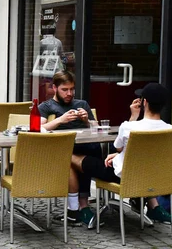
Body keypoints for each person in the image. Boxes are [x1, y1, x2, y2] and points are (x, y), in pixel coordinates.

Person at [68, 83, 172, 226]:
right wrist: (118, 155)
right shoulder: (171, 130)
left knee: (69, 156)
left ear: (144, 102)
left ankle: (77, 208)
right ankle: (153, 207)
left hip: (122, 176)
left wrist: (133, 116)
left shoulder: (129, 126)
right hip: (151, 176)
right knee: (100, 158)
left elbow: (118, 148)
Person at [38, 70, 99, 226]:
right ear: (55, 88)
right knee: (71, 158)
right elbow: (38, 128)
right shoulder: (46, 106)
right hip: (59, 152)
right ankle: (82, 206)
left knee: (92, 149)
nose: (69, 93)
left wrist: (87, 120)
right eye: (65, 90)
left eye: (72, 89)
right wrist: (60, 120)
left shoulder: (82, 104)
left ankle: (77, 209)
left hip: (85, 147)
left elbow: (97, 129)